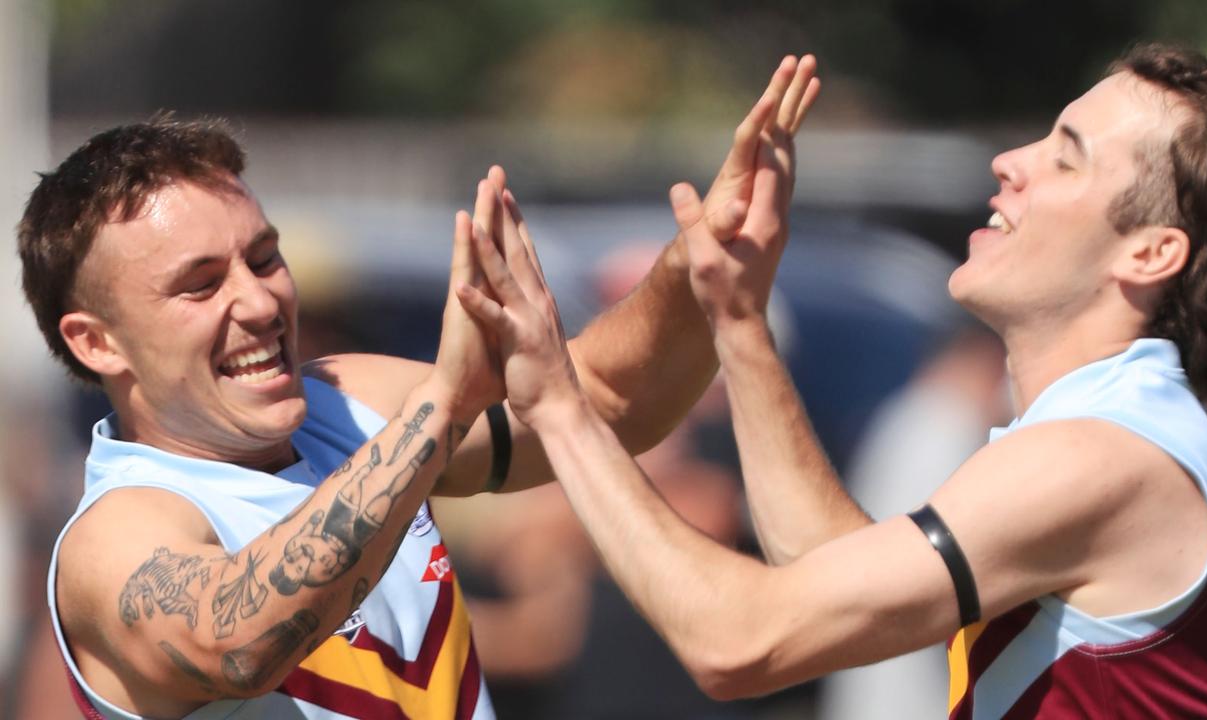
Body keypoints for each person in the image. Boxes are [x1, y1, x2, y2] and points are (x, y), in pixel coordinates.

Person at [456, 44, 1207, 718]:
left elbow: (740, 645)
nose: (1010, 161)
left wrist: (559, 406)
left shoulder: (1104, 456)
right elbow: (828, 576)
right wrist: (738, 321)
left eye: (1065, 159)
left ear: (1150, 254)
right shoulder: (1121, 431)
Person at [21, 56, 818, 719]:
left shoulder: (346, 402)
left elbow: (607, 406)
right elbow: (235, 645)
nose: (261, 300)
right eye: (200, 285)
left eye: (263, 259)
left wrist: (696, 267)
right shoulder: (113, 533)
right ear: (97, 343)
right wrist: (441, 406)